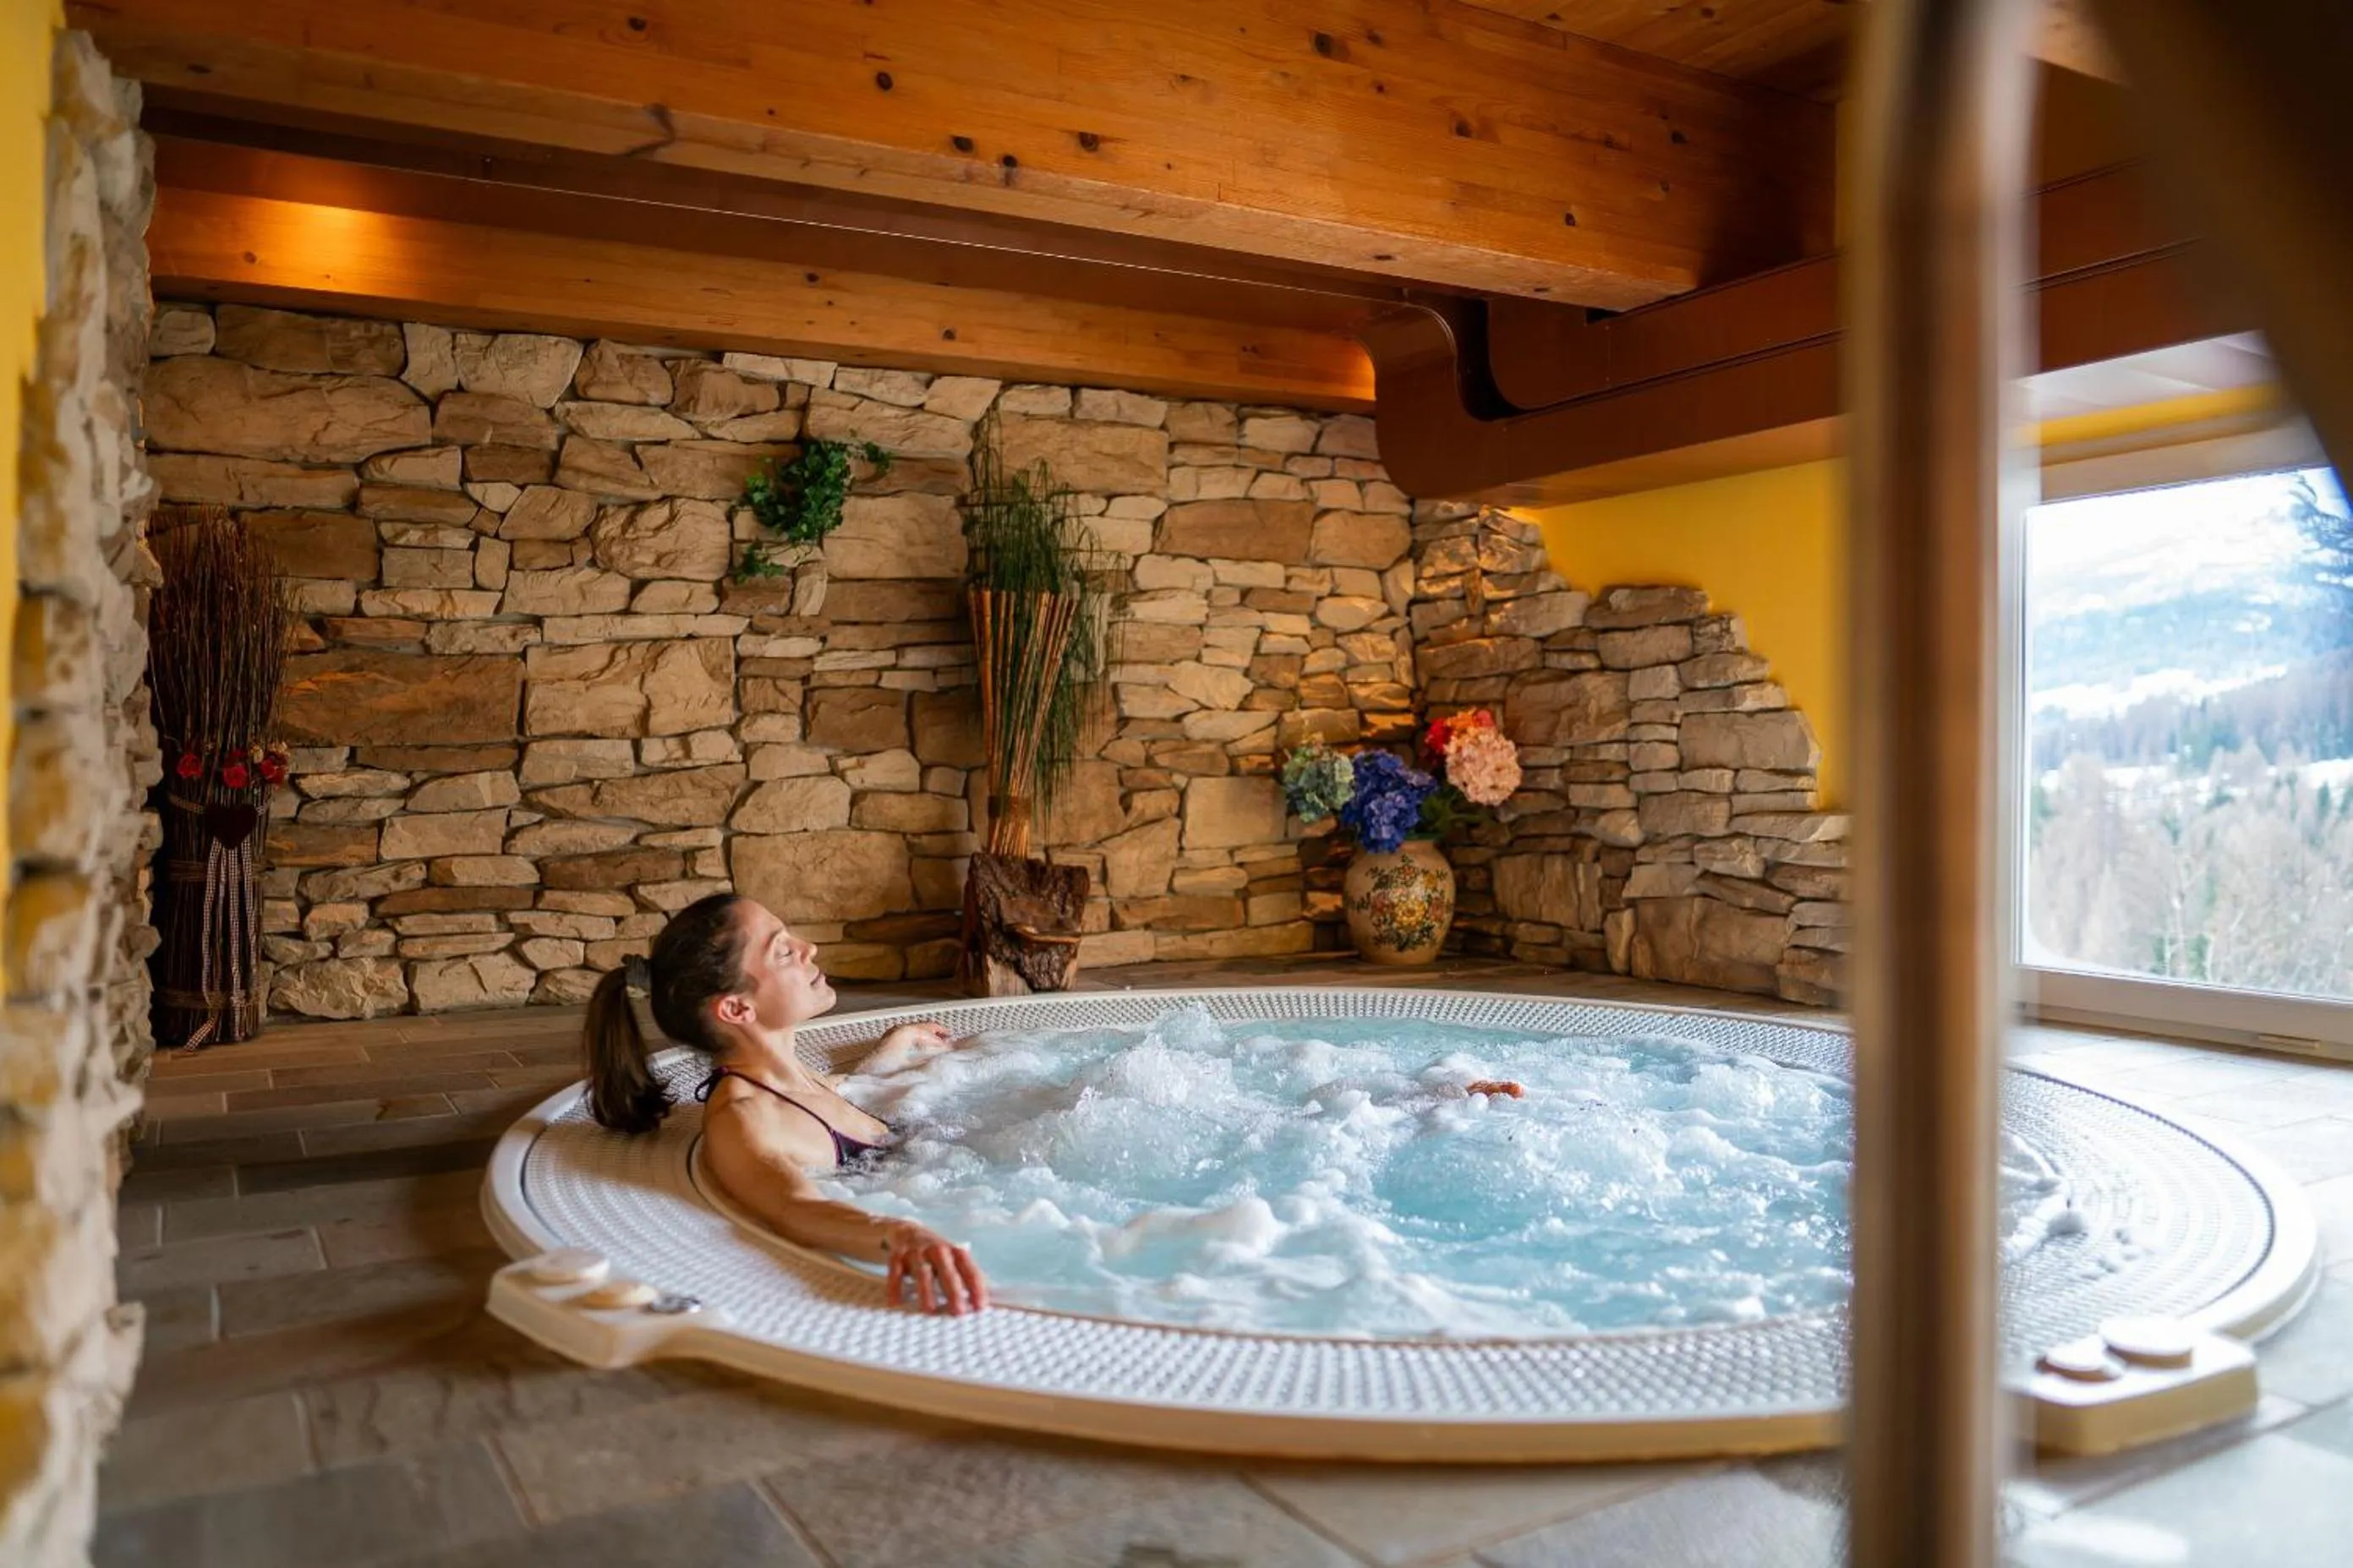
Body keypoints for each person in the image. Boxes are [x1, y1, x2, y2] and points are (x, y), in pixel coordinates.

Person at [580, 892, 988, 1316]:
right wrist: (902, 1235)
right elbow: (797, 1209)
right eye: (782, 951)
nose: (808, 949)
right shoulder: (745, 1120)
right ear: (737, 1008)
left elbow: (848, 1088)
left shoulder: (792, 1077)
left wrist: (898, 1042)